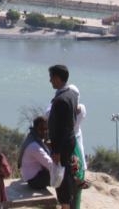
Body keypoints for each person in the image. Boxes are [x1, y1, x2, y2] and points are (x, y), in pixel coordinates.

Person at [48, 64, 77, 209]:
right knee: (67, 174)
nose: (50, 81)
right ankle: (69, 203)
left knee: (62, 177)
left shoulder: (60, 100)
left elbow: (63, 128)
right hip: (70, 141)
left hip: (62, 145)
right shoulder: (72, 94)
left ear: (58, 78)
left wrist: (57, 150)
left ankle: (65, 205)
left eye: (51, 77)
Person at [17, 116, 54, 189]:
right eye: (41, 129)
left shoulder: (31, 137)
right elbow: (50, 164)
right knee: (62, 173)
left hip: (30, 176)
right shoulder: (34, 146)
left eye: (46, 129)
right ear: (35, 129)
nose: (44, 132)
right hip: (35, 180)